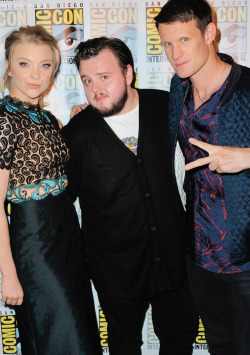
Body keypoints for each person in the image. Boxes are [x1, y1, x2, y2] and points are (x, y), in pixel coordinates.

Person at [62, 36, 198, 355]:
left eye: (105, 77)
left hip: (176, 259)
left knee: (179, 340)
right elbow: (59, 208)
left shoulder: (168, 107)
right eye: (87, 80)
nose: (96, 89)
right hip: (115, 271)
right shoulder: (76, 136)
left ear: (128, 73)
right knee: (124, 345)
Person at [155, 0, 250, 354]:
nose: (174, 54)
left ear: (209, 33)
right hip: (199, 254)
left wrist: (245, 157)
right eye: (167, 44)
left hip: (244, 256)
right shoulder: (178, 89)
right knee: (219, 347)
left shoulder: (248, 88)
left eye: (183, 40)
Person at [0, 25, 101, 355]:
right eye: (24, 63)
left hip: (68, 235)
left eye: (45, 65)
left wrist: (76, 124)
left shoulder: (47, 118)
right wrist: (9, 274)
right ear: (9, 65)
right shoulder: (4, 120)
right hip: (35, 245)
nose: (35, 75)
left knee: (81, 331)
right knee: (57, 336)